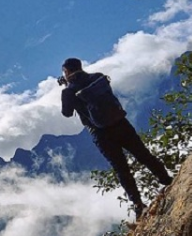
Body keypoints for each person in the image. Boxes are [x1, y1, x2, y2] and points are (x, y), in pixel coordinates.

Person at [59, 58, 172, 219]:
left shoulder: (69, 91)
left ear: (66, 71)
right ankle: (167, 180)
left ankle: (139, 205)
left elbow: (67, 113)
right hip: (120, 123)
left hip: (101, 134)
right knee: (143, 154)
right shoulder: (98, 77)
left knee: (121, 169)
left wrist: (67, 87)